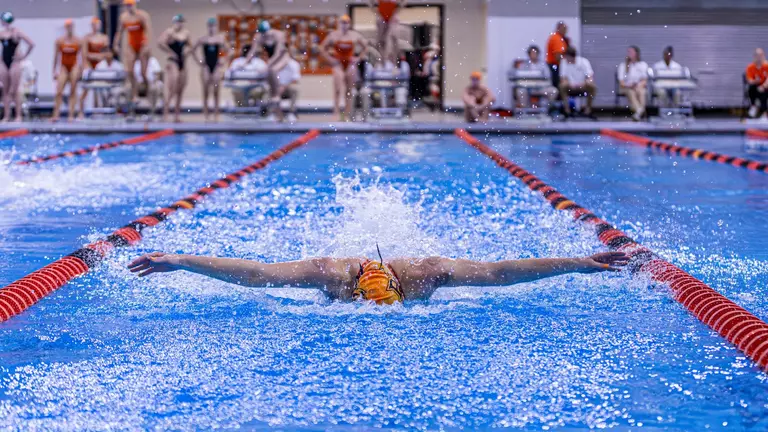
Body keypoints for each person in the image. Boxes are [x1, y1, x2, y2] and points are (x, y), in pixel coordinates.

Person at [128, 250, 629, 304]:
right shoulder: (329, 275)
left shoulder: (426, 275)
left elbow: (498, 273)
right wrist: (183, 260)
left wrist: (581, 263)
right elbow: (258, 275)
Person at [320, 15, 368, 121]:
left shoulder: (354, 35)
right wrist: (330, 59)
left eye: (346, 23)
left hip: (350, 64)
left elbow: (366, 47)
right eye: (342, 22)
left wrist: (358, 58)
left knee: (349, 91)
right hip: (338, 64)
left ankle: (347, 114)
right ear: (339, 23)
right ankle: (336, 113)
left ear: (349, 24)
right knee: (337, 89)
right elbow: (322, 48)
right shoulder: (333, 35)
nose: (344, 25)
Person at [246, 20, 289, 120]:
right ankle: (276, 103)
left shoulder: (279, 35)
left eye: (267, 34)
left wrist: (267, 65)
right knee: (270, 75)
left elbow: (278, 53)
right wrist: (244, 63)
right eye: (264, 34)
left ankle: (277, 95)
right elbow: (252, 51)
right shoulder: (259, 37)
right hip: (272, 60)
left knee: (272, 70)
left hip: (283, 57)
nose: (266, 36)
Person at [113, 0, 152, 108]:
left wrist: (147, 45)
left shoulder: (142, 16)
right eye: (126, 6)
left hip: (142, 44)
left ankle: (148, 93)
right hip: (132, 45)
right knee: (129, 71)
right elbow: (119, 32)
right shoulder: (124, 18)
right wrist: (116, 44)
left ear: (134, 5)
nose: (128, 8)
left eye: (130, 5)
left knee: (143, 73)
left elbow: (148, 31)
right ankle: (135, 95)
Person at [192, 18, 230, 123]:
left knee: (216, 91)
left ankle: (216, 115)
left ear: (216, 27)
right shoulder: (203, 39)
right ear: (207, 27)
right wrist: (199, 61)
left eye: (213, 26)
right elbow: (192, 49)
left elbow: (229, 51)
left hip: (216, 66)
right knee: (205, 91)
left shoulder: (220, 39)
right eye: (210, 26)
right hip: (206, 67)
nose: (211, 28)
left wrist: (223, 60)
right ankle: (206, 115)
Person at [0, 11, 35, 123]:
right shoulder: (1, 33)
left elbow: (31, 44)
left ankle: (18, 115)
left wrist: (23, 56)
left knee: (15, 90)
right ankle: (6, 116)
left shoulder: (17, 32)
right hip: (4, 62)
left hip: (15, 62)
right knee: (5, 90)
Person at [157, 14, 191, 123]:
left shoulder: (186, 33)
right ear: (174, 22)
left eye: (181, 22)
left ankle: (176, 115)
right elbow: (160, 43)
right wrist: (170, 52)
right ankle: (165, 113)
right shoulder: (169, 32)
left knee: (180, 89)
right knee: (172, 88)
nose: (179, 24)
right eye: (178, 22)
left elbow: (190, 46)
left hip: (182, 62)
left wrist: (187, 51)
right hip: (172, 61)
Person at [78, 17, 109, 118]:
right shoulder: (86, 38)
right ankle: (80, 112)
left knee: (100, 90)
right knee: (86, 89)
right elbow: (84, 54)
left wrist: (99, 57)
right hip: (90, 65)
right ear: (91, 26)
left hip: (100, 66)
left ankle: (101, 110)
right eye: (94, 24)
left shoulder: (104, 38)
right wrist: (87, 66)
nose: (96, 26)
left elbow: (107, 54)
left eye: (97, 24)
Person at [52, 19, 82, 122]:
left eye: (71, 26)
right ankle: (56, 114)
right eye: (68, 26)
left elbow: (81, 57)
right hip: (63, 67)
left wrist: (80, 71)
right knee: (59, 91)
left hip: (74, 66)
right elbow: (56, 56)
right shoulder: (60, 41)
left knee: (73, 91)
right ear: (65, 28)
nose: (69, 28)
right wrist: (54, 71)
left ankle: (71, 115)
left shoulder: (78, 41)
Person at [515, 45, 558, 109]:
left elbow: (548, 77)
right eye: (532, 53)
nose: (533, 55)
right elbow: (519, 76)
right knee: (520, 91)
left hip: (541, 88)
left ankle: (549, 110)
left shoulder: (543, 65)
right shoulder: (523, 65)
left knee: (554, 91)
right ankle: (525, 111)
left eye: (535, 53)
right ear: (529, 54)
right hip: (527, 88)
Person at [558, 47, 596, 118]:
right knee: (562, 86)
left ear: (572, 57)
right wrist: (570, 84)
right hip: (570, 86)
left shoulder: (584, 61)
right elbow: (563, 78)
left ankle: (588, 110)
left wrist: (584, 83)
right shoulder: (563, 62)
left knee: (592, 86)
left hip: (583, 85)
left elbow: (590, 76)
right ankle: (567, 111)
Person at [369, 0, 405, 65]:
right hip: (382, 17)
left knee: (394, 38)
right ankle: (382, 62)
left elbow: (403, 2)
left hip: (392, 17)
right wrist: (377, 13)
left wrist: (395, 12)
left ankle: (395, 63)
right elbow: (371, 2)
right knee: (381, 41)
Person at [617, 45, 648, 122]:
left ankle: (638, 113)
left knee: (642, 91)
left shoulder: (642, 65)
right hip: (626, 87)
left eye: (631, 52)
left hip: (638, 87)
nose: (628, 53)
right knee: (630, 92)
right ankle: (640, 110)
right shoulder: (623, 66)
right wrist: (630, 85)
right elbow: (621, 83)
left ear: (636, 53)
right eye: (628, 52)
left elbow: (644, 80)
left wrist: (638, 86)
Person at [273, 55, 301, 123]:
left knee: (294, 91)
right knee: (269, 91)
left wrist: (284, 86)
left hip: (287, 87)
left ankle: (291, 113)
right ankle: (273, 114)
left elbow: (295, 80)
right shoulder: (274, 62)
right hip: (276, 88)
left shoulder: (294, 64)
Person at [746, 48, 768, 119]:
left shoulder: (767, 66)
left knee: (764, 92)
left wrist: (763, 86)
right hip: (756, 87)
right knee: (751, 88)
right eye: (757, 55)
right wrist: (755, 81)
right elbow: (749, 80)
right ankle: (753, 106)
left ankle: (764, 113)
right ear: (754, 57)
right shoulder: (750, 67)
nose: (759, 57)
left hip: (765, 86)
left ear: (764, 56)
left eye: (761, 55)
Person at [546, 21, 569, 88]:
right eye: (564, 29)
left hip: (554, 66)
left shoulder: (556, 37)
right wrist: (566, 60)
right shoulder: (557, 39)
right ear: (559, 28)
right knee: (557, 86)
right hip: (555, 66)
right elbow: (558, 56)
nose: (566, 31)